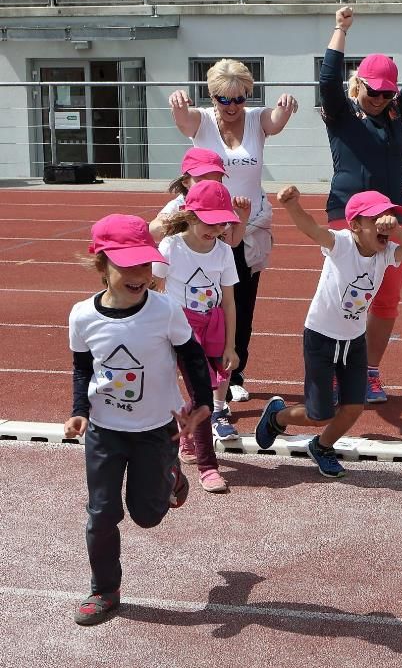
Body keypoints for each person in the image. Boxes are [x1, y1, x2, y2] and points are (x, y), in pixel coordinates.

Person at [65, 214, 212, 626]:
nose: (139, 275)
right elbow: (81, 368)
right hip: (104, 432)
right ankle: (104, 590)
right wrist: (79, 410)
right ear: (101, 265)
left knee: (147, 516)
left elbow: (193, 357)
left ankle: (171, 476)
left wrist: (202, 402)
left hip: (155, 431)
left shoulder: (165, 310)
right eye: (127, 266)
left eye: (145, 265)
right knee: (101, 513)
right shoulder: (81, 316)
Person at [321, 0, 402, 403]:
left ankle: (369, 371)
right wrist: (340, 29)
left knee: (387, 298)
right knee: (350, 295)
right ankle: (341, 373)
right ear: (360, 84)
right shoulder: (340, 111)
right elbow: (327, 79)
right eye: (373, 92)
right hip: (350, 216)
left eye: (387, 94)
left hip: (394, 215)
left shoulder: (394, 113)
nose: (379, 99)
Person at [254, 187, 402, 478]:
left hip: (354, 340)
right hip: (321, 336)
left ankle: (322, 447)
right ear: (355, 225)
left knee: (354, 406)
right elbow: (311, 229)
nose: (385, 222)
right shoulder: (341, 243)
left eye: (389, 217)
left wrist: (397, 232)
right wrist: (292, 205)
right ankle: (277, 416)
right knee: (319, 414)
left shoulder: (388, 252)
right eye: (377, 219)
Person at [168, 58, 299, 404]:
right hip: (204, 224)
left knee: (241, 302)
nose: (231, 106)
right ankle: (198, 374)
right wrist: (178, 104)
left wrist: (286, 108)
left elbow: (277, 121)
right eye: (223, 99)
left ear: (248, 96)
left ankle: (233, 372)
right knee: (202, 300)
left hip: (247, 223)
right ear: (211, 96)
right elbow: (183, 123)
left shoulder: (257, 120)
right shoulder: (200, 120)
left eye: (239, 98)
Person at [153, 180, 245, 494]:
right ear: (190, 215)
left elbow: (230, 300)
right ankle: (208, 467)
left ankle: (186, 426)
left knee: (217, 383)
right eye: (209, 220)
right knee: (205, 393)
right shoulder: (172, 246)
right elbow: (154, 287)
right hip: (182, 329)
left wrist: (231, 344)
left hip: (215, 325)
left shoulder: (223, 251)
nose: (216, 228)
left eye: (222, 222)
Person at [149, 147, 237, 243]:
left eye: (216, 181)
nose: (208, 186)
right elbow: (154, 232)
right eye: (201, 181)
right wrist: (178, 220)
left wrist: (243, 216)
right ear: (186, 182)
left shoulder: (220, 205)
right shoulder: (179, 204)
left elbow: (231, 241)